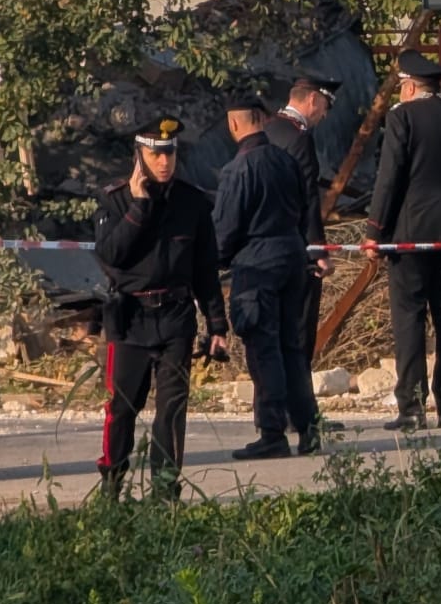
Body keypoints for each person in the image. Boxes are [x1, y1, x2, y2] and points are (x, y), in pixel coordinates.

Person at [93, 117, 228, 502]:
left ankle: (165, 491)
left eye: (170, 153)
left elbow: (205, 267)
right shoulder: (115, 199)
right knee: (121, 409)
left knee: (171, 411)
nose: (165, 161)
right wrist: (139, 205)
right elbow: (111, 254)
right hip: (130, 318)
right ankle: (112, 487)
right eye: (156, 154)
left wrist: (217, 324)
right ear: (139, 156)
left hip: (175, 318)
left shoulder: (192, 201)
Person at [366, 51, 441, 432]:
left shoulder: (402, 117)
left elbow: (390, 177)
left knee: (410, 318)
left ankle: (412, 406)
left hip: (410, 234)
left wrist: (374, 230)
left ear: (409, 86)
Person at [213, 86, 319, 460]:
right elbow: (306, 206)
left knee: (264, 349)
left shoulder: (238, 169)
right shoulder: (285, 159)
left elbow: (225, 229)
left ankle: (272, 430)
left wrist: (217, 261)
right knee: (292, 346)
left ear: (234, 124)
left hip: (257, 265)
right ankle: (308, 426)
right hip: (293, 256)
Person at [265, 74, 339, 363]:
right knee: (298, 333)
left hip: (263, 249)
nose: (324, 115)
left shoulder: (266, 131)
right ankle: (298, 403)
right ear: (312, 99)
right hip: (296, 250)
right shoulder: (299, 139)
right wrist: (317, 249)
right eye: (325, 107)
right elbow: (308, 198)